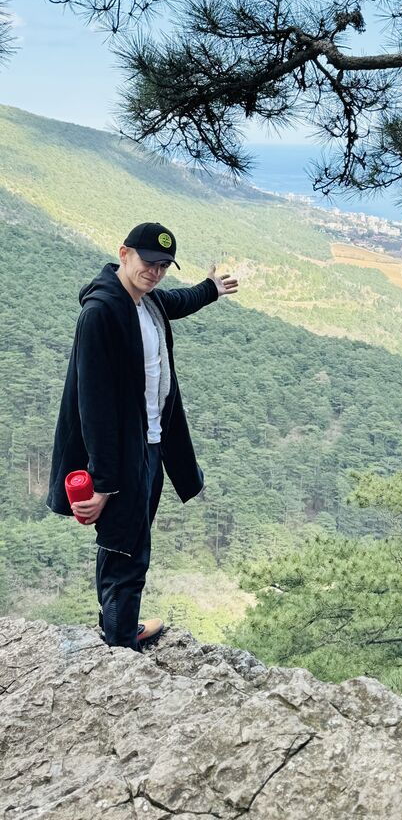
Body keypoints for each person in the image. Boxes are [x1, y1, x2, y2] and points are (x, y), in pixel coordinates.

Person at [48, 222, 238, 649]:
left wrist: (211, 288)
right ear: (124, 253)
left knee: (127, 540)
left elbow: (178, 301)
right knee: (128, 550)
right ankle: (120, 644)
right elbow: (93, 406)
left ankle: (117, 623)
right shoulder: (101, 314)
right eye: (148, 262)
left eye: (163, 266)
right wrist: (104, 484)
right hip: (122, 454)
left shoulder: (147, 301)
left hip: (151, 444)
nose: (155, 272)